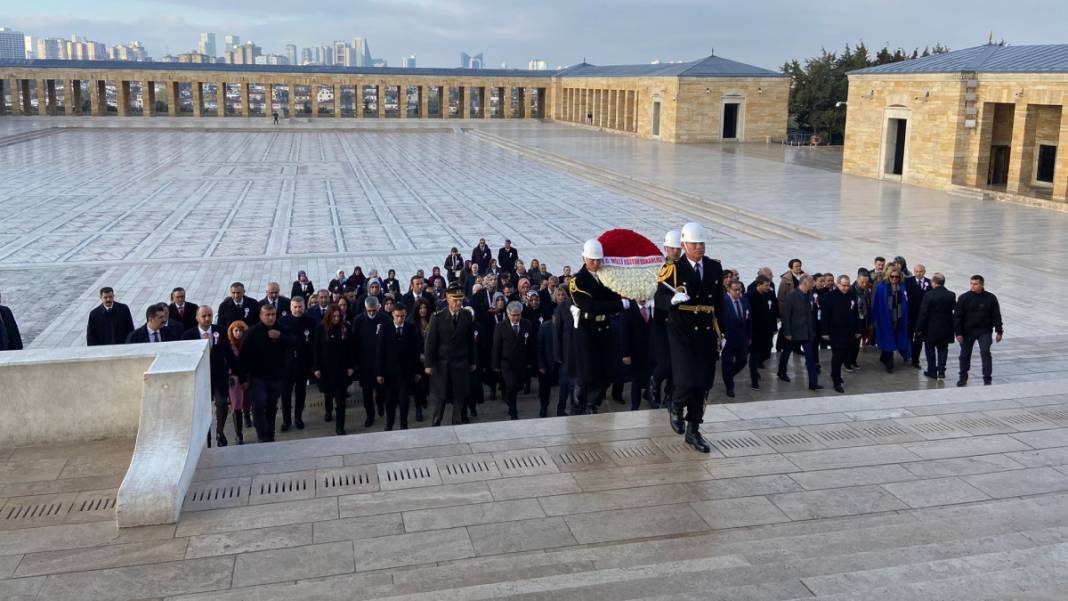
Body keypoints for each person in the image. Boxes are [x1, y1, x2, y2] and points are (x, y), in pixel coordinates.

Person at [656, 222, 723, 453]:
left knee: (703, 384)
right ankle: (675, 404)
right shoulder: (672, 269)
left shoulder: (714, 267)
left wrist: (722, 332)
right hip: (681, 330)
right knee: (685, 379)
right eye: (694, 244)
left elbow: (719, 304)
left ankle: (693, 430)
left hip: (706, 331)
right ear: (684, 245)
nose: (699, 247)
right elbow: (660, 299)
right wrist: (671, 302)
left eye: (702, 243)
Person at [569, 238, 628, 415]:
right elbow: (591, 306)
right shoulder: (577, 281)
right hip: (587, 331)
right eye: (592, 259)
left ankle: (592, 405)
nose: (595, 263)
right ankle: (579, 407)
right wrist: (619, 304)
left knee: (604, 373)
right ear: (584, 259)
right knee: (586, 375)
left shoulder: (605, 276)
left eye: (598, 259)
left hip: (604, 329)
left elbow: (613, 295)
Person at [425, 283, 477, 426]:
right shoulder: (437, 317)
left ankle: (457, 423)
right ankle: (436, 422)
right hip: (443, 364)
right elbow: (431, 343)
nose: (458, 303)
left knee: (459, 396)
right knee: (441, 397)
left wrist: (472, 361)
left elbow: (470, 341)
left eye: (460, 299)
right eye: (455, 300)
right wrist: (428, 364)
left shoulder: (466, 316)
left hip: (460, 362)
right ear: (447, 299)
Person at [239, 305, 292, 442]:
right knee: (259, 405)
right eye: (267, 315)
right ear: (261, 316)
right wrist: (243, 378)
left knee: (271, 406)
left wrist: (281, 337)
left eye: (273, 314)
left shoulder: (282, 328)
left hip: (276, 376)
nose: (270, 318)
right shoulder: (252, 332)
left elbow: (295, 344)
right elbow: (243, 357)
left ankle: (270, 433)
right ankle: (261, 434)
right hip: (257, 377)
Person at [182, 306, 229, 446]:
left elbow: (228, 353)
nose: (207, 318)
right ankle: (206, 436)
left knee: (222, 403)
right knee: (204, 408)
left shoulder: (220, 331)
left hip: (219, 375)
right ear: (197, 318)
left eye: (209, 315)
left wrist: (237, 373)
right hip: (201, 377)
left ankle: (220, 431)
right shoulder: (188, 335)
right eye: (204, 316)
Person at [376, 303, 421, 430]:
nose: (400, 319)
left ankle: (403, 425)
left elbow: (415, 352)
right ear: (393, 315)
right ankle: (389, 425)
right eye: (397, 316)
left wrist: (417, 371)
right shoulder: (385, 329)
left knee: (404, 401)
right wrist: (379, 373)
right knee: (390, 402)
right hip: (389, 374)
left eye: (402, 316)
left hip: (406, 373)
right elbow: (380, 352)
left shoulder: (411, 328)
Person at [954, 274, 1003, 387]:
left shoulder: (990, 298)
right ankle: (963, 377)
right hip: (967, 332)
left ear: (982, 284)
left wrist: (999, 331)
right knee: (965, 355)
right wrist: (958, 333)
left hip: (984, 331)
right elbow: (957, 317)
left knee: (985, 352)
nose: (973, 286)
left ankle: (987, 378)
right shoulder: (964, 298)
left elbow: (996, 315)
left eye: (976, 284)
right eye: (971, 283)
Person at [313, 304, 354, 436]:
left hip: (341, 370)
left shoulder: (345, 327)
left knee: (341, 400)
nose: (336, 318)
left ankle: (340, 427)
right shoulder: (321, 328)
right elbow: (316, 349)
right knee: (328, 394)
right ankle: (328, 410)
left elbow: (351, 348)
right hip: (326, 370)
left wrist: (351, 366)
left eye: (338, 316)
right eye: (334, 316)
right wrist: (316, 368)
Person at [777, 275, 820, 390]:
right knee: (786, 353)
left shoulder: (810, 295)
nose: (813, 285)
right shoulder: (792, 295)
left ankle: (813, 383)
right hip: (794, 332)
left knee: (810, 358)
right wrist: (787, 332)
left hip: (807, 332)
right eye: (812, 282)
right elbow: (786, 315)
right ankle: (781, 372)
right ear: (806, 283)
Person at [278, 297, 315, 430]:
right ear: (290, 307)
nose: (298, 309)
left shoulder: (310, 321)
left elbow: (313, 344)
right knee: (285, 394)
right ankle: (286, 420)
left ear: (304, 307)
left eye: (300, 307)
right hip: (286, 364)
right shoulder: (282, 321)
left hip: (302, 363)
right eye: (295, 307)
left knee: (301, 393)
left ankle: (298, 417)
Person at [492, 300, 533, 420]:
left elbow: (530, 344)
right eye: (514, 315)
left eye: (518, 315)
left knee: (516, 387)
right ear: (508, 314)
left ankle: (510, 404)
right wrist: (495, 364)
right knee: (511, 385)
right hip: (507, 363)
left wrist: (530, 361)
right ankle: (513, 411)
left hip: (521, 362)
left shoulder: (526, 324)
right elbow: (496, 346)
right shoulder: (500, 326)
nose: (516, 317)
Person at [353, 296, 388, 427]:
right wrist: (356, 362)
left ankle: (380, 403)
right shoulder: (359, 320)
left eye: (374, 310)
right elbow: (355, 342)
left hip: (380, 362)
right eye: (370, 311)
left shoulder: (384, 319)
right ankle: (370, 415)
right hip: (365, 363)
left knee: (381, 389)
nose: (372, 313)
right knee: (367, 393)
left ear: (378, 308)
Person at [822, 275, 860, 393]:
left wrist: (858, 330)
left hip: (849, 331)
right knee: (837, 356)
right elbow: (825, 315)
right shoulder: (829, 296)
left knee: (844, 354)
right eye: (843, 285)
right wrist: (825, 332)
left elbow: (856, 313)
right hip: (835, 332)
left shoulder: (851, 295)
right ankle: (836, 381)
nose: (846, 288)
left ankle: (835, 374)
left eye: (848, 285)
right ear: (838, 284)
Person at [916, 273, 955, 381]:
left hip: (930, 328)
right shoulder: (951, 295)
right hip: (946, 328)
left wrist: (918, 328)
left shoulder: (929, 295)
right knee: (943, 349)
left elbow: (923, 313)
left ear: (933, 283)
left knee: (930, 349)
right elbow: (953, 309)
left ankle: (932, 371)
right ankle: (941, 370)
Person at [719, 280, 752, 398]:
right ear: (728, 290)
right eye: (735, 290)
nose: (738, 292)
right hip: (727, 338)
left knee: (742, 360)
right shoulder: (723, 302)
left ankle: (728, 375)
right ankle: (729, 386)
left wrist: (749, 336)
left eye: (740, 290)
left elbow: (748, 319)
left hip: (742, 337)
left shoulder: (744, 300)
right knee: (727, 363)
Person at [872, 269, 910, 373]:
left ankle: (884, 357)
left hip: (898, 318)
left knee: (895, 338)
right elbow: (876, 303)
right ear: (888, 276)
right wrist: (875, 319)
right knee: (888, 340)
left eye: (896, 277)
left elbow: (905, 303)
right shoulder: (882, 287)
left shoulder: (902, 287)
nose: (894, 278)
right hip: (885, 318)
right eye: (892, 276)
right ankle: (889, 364)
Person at [620, 298, 654, 409]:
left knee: (651, 377)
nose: (643, 298)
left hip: (650, 351)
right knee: (636, 380)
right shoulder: (629, 310)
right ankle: (635, 405)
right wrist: (626, 354)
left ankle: (651, 398)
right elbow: (624, 333)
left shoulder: (652, 308)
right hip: (635, 352)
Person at [222, 320, 249, 444]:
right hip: (235, 379)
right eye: (236, 331)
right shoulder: (228, 346)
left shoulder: (248, 343)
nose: (238, 333)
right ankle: (239, 434)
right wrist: (230, 375)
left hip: (248, 377)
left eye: (241, 331)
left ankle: (247, 418)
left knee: (248, 401)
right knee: (236, 404)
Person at [746, 274, 777, 379]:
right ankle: (753, 372)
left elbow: (773, 310)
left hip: (767, 328)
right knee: (754, 353)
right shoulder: (750, 296)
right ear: (758, 285)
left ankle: (758, 363)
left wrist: (774, 327)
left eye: (769, 285)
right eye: (766, 285)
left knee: (767, 349)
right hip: (755, 329)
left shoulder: (769, 294)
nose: (768, 288)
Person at [411, 298, 433, 421]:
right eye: (420, 308)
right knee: (417, 385)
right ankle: (418, 409)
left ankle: (424, 397)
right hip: (417, 359)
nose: (423, 310)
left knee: (427, 385)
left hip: (430, 358)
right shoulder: (412, 322)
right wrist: (419, 355)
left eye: (425, 308)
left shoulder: (432, 320)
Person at [905, 264, 931, 369]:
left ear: (924, 272)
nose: (918, 273)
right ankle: (907, 355)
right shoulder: (908, 281)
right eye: (916, 271)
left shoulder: (929, 283)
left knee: (919, 340)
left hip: (923, 317)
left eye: (920, 271)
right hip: (911, 315)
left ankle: (915, 360)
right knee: (909, 337)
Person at [847, 269, 873, 369]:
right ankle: (847, 363)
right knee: (851, 343)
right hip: (852, 321)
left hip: (863, 320)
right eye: (862, 282)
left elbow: (869, 306)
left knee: (857, 343)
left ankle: (853, 360)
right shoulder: (850, 291)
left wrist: (870, 322)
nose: (864, 284)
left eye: (866, 282)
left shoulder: (866, 291)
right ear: (857, 279)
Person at [536, 309, 559, 417]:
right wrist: (541, 365)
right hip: (546, 364)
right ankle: (543, 407)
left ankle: (562, 408)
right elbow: (539, 347)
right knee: (544, 389)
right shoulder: (544, 327)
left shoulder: (567, 326)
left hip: (562, 363)